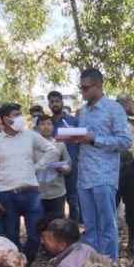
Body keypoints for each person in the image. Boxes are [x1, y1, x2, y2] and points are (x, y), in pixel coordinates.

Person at [59, 69, 133, 260]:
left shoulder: (114, 109)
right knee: (90, 226)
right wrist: (75, 137)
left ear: (98, 86)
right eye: (80, 87)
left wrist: (94, 139)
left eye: (85, 87)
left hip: (104, 175)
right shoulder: (83, 111)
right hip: (84, 177)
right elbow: (85, 138)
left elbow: (126, 141)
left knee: (107, 225)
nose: (82, 91)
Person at [0, 102, 55, 265]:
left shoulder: (30, 135)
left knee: (35, 234)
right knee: (10, 236)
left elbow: (51, 150)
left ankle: (26, 262)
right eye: (15, 115)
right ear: (4, 119)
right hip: (7, 196)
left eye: (19, 114)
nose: (19, 118)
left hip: (31, 194)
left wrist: (37, 167)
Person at [48, 90, 82, 222]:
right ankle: (58, 234)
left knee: (74, 202)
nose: (55, 104)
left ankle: (74, 232)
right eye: (52, 102)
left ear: (62, 102)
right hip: (53, 169)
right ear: (49, 104)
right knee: (57, 204)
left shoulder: (73, 121)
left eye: (57, 101)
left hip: (72, 167)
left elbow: (81, 142)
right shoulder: (47, 124)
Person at [116, 97, 134, 256]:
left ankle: (132, 239)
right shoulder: (111, 121)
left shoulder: (133, 123)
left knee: (132, 205)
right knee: (111, 205)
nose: (133, 105)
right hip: (113, 169)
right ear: (122, 105)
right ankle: (111, 240)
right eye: (131, 103)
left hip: (130, 169)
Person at [34, 116, 71, 222]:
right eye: (42, 124)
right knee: (39, 224)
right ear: (37, 127)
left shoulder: (60, 144)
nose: (46, 127)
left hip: (57, 192)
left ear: (53, 127)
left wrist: (63, 168)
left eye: (49, 124)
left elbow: (68, 165)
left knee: (58, 225)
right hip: (37, 194)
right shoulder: (32, 145)